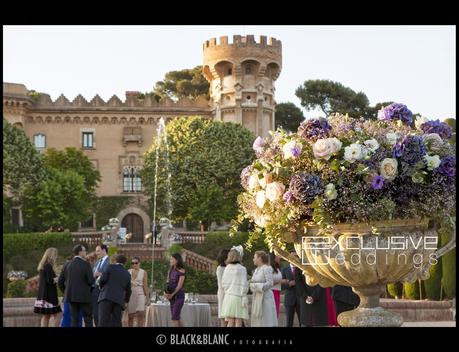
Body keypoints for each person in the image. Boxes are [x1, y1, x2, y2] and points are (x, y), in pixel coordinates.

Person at [59, 244, 94, 327]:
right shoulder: (86, 264)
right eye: (84, 250)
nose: (86, 252)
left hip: (71, 297)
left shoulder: (66, 265)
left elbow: (60, 282)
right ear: (80, 252)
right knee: (88, 319)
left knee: (74, 319)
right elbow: (91, 281)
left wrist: (66, 292)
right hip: (84, 297)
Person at [98, 254, 132, 327]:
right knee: (116, 322)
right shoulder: (127, 274)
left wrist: (101, 288)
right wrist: (126, 301)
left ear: (115, 260)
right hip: (119, 300)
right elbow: (128, 290)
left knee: (103, 321)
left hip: (106, 297)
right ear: (125, 263)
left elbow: (102, 280)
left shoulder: (110, 267)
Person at [221, 246, 249, 327]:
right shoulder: (242, 269)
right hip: (238, 297)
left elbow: (224, 284)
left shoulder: (227, 268)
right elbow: (244, 285)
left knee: (230, 321)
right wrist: (243, 294)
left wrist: (229, 290)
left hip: (229, 297)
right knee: (238, 321)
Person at [33, 247, 62, 327]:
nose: (56, 256)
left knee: (46, 315)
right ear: (51, 255)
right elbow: (50, 280)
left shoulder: (42, 266)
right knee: (57, 314)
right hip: (50, 295)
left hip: (43, 294)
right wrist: (58, 278)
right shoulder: (48, 266)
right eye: (55, 254)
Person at [249, 251, 278, 327]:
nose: (253, 259)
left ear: (260, 258)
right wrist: (252, 286)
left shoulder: (267, 268)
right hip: (257, 297)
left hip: (265, 299)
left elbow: (270, 283)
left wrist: (258, 286)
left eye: (254, 257)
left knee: (266, 320)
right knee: (257, 320)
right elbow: (252, 283)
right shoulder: (256, 270)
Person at [59, 255, 83, 327]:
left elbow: (60, 282)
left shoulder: (65, 267)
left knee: (67, 318)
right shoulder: (81, 267)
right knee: (78, 318)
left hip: (68, 297)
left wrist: (66, 292)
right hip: (79, 297)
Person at [165, 253, 186, 327]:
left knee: (174, 318)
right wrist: (165, 292)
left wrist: (172, 294)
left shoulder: (182, 271)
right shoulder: (170, 270)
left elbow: (179, 286)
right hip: (172, 298)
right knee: (177, 318)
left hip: (179, 297)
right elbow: (167, 283)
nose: (170, 260)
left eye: (171, 259)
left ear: (176, 260)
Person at [281, 251, 301, 327]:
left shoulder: (301, 269)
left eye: (296, 256)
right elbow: (282, 286)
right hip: (289, 299)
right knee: (289, 322)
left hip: (300, 298)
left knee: (302, 321)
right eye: (293, 256)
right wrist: (289, 284)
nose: (295, 258)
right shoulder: (284, 269)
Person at [127, 256, 149, 327]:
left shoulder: (143, 272)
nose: (134, 265)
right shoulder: (128, 272)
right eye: (132, 263)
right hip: (131, 294)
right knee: (130, 315)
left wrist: (147, 297)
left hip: (140, 293)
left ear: (139, 263)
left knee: (141, 313)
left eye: (136, 263)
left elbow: (145, 285)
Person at [92, 244, 110, 326]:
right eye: (96, 251)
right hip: (95, 291)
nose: (96, 253)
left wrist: (100, 274)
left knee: (104, 315)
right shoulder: (97, 262)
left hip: (105, 292)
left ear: (104, 250)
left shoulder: (110, 261)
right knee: (96, 314)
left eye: (98, 250)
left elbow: (111, 275)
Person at [216, 249, 230, 327]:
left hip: (230, 295)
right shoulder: (220, 269)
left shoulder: (231, 267)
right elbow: (222, 284)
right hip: (223, 295)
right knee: (223, 318)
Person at [269, 252, 282, 318]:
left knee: (276, 313)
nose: (279, 257)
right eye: (278, 256)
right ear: (273, 258)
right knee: (272, 314)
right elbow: (269, 282)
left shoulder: (277, 268)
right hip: (272, 292)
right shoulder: (269, 268)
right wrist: (281, 281)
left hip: (277, 292)